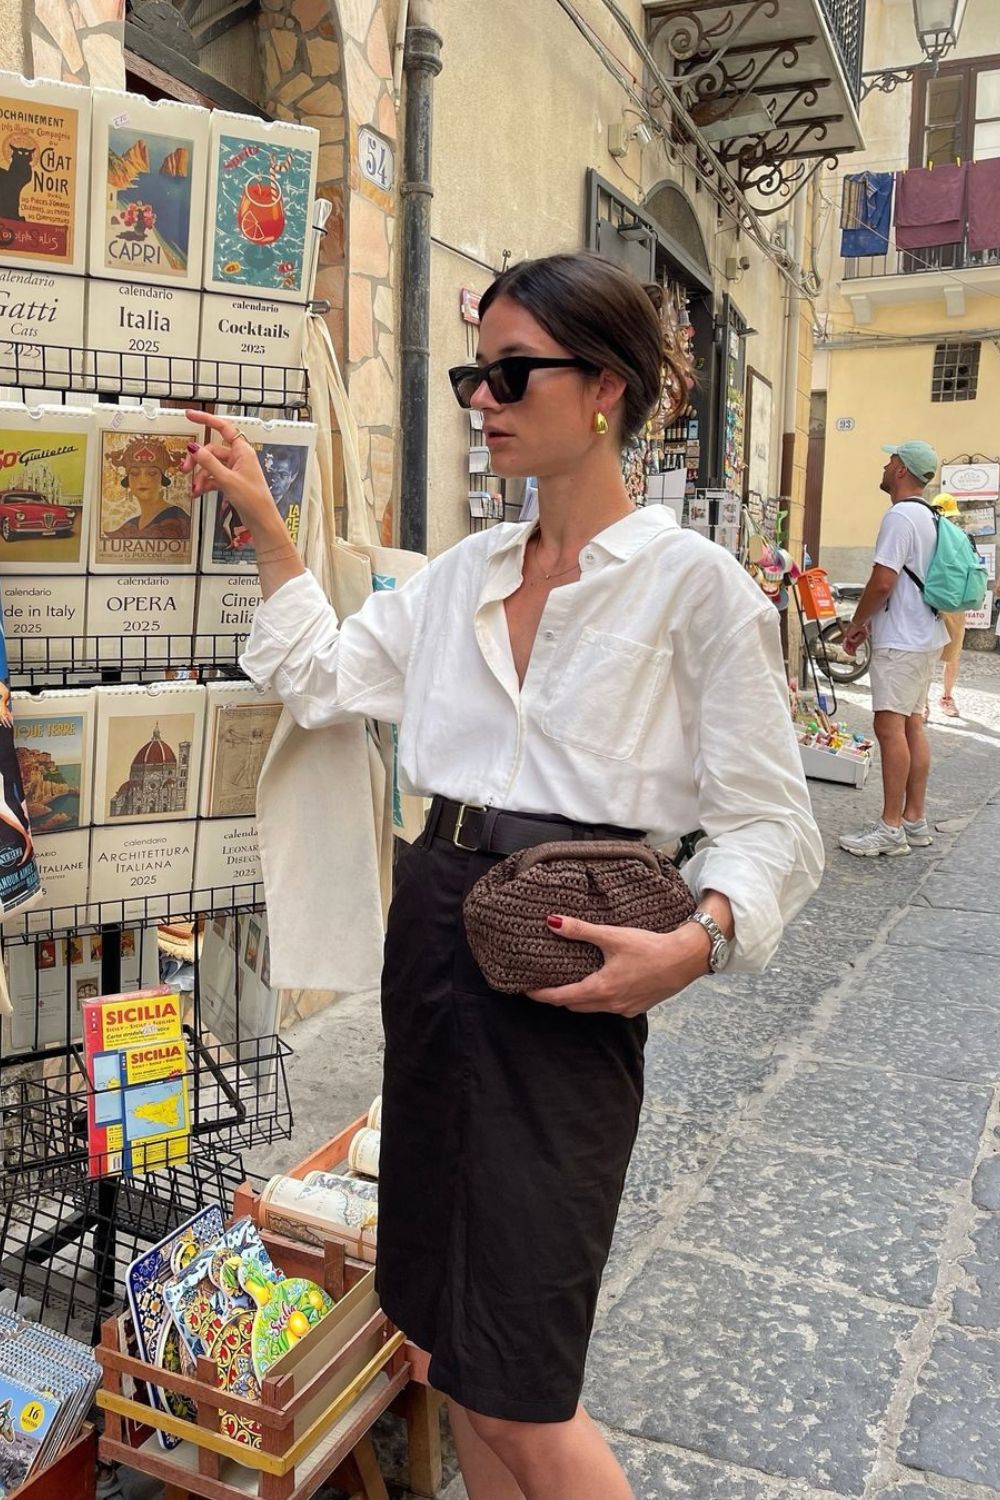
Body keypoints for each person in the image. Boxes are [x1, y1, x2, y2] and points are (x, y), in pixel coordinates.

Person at [181, 252, 823, 1500]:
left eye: (512, 371)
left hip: (566, 955)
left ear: (607, 391)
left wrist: (698, 942)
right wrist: (265, 524)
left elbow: (769, 821)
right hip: (433, 929)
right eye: (476, 371)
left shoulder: (697, 592)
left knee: (525, 1379)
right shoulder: (458, 578)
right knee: (442, 1342)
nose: (483, 396)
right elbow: (319, 680)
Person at [839, 440, 948, 857]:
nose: (885, 466)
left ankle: (889, 828)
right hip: (925, 636)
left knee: (890, 728)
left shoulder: (900, 516)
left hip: (901, 640)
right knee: (912, 726)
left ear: (901, 470)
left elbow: (883, 582)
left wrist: (858, 622)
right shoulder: (930, 516)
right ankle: (913, 819)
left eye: (890, 461)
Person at [105, 437, 191, 541]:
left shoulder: (178, 520)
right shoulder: (131, 524)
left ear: (162, 479)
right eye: (134, 473)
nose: (143, 480)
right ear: (128, 480)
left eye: (152, 473)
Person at [928, 492, 966, 717]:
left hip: (946, 604)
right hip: (949, 603)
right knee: (938, 655)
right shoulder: (932, 538)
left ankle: (944, 697)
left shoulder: (959, 538)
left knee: (949, 655)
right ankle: (936, 700)